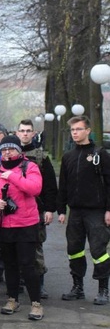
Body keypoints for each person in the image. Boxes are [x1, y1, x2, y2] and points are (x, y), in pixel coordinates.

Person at [0, 135, 44, 320]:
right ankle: (12, 299)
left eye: (11, 149)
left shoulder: (29, 167)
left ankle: (36, 303)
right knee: (9, 265)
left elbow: (35, 189)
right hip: (3, 225)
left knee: (28, 265)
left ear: (19, 150)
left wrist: (14, 177)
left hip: (26, 225)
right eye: (4, 149)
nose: (7, 152)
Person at [57, 116, 110, 305]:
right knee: (74, 250)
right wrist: (61, 210)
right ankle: (77, 287)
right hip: (75, 212)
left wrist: (108, 210)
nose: (75, 133)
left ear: (88, 131)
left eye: (79, 129)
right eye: (73, 130)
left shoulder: (100, 154)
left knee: (99, 251)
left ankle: (103, 289)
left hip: (96, 211)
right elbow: (63, 185)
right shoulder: (68, 157)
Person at [16, 119, 57, 299]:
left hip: (36, 210)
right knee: (14, 248)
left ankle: (39, 285)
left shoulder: (41, 156)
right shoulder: (9, 154)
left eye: (28, 131)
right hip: (14, 210)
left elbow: (49, 186)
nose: (25, 134)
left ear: (33, 134)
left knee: (36, 248)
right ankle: (16, 283)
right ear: (17, 133)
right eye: (22, 130)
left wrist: (49, 209)